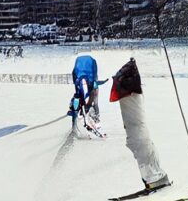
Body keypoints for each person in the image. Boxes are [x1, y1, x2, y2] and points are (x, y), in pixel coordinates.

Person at [110, 58, 170, 191]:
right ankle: (153, 178)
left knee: (141, 146)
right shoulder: (131, 94)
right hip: (135, 129)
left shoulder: (130, 93)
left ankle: (156, 178)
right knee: (141, 146)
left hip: (137, 131)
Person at [72, 54, 100, 122]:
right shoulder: (92, 61)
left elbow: (74, 74)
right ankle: (95, 116)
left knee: (79, 95)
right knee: (93, 97)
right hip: (86, 80)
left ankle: (94, 115)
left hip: (82, 80)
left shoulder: (79, 62)